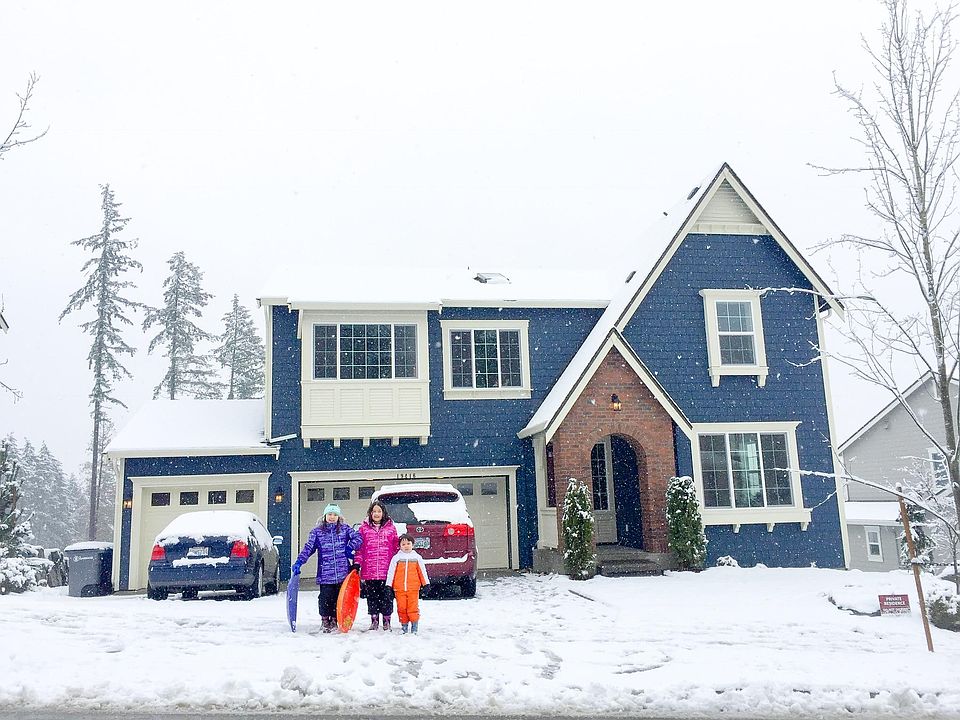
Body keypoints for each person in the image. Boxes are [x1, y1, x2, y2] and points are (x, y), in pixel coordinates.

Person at [292, 504, 362, 633]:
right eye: (330, 514)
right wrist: (299, 562)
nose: (332, 517)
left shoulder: (345, 529)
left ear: (339, 517)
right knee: (325, 598)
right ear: (325, 516)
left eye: (335, 515)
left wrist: (350, 547)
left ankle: (336, 619)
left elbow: (358, 538)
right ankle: (325, 620)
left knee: (339, 599)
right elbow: (308, 548)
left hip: (342, 573)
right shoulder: (317, 532)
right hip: (325, 574)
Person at [354, 499, 399, 631]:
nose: (376, 514)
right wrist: (357, 563)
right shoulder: (363, 529)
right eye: (374, 511)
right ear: (370, 513)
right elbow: (359, 549)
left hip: (387, 571)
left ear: (383, 513)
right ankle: (374, 620)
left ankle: (386, 620)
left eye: (379, 511)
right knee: (372, 598)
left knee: (387, 597)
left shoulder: (391, 528)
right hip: (370, 571)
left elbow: (396, 546)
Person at [385, 533, 430, 634]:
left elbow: (422, 572)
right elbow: (391, 573)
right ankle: (404, 626)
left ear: (412, 545)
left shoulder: (417, 558)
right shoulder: (396, 558)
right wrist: (388, 586)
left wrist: (426, 584)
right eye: (403, 544)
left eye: (408, 543)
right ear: (400, 546)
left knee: (412, 608)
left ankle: (414, 626)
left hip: (413, 589)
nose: (406, 546)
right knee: (401, 608)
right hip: (399, 589)